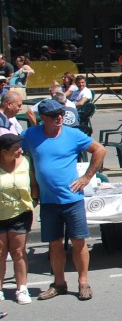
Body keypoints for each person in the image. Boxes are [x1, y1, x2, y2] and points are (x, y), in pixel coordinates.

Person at [24, 98, 106, 301]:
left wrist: (86, 178)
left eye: (60, 114)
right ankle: (59, 283)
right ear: (43, 118)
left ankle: (83, 282)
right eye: (53, 116)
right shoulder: (31, 135)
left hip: (72, 199)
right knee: (54, 245)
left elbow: (100, 150)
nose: (59, 118)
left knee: (79, 242)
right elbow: (12, 148)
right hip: (48, 201)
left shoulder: (72, 134)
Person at [0, 134, 32, 304]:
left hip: (21, 214)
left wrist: (33, 200)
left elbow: (34, 184)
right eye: (16, 148)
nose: (20, 150)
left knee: (18, 252)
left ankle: (22, 289)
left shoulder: (26, 162)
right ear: (4, 151)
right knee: (1, 253)